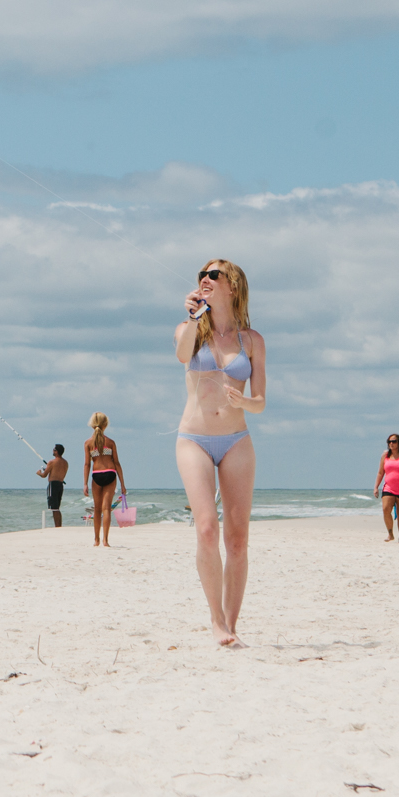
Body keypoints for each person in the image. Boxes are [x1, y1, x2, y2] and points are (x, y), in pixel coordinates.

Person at [174, 259, 265, 647]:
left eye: (214, 275)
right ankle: (215, 621)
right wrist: (195, 317)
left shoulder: (252, 340)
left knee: (238, 540)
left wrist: (244, 401)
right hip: (193, 438)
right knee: (207, 528)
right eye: (202, 276)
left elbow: (260, 402)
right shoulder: (188, 329)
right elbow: (182, 355)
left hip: (236, 440)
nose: (205, 280)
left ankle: (231, 624)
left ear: (233, 285)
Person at [82, 414, 124, 547]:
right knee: (106, 509)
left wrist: (85, 483)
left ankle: (96, 540)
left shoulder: (88, 443)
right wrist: (123, 483)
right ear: (105, 425)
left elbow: (87, 464)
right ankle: (105, 540)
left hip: (97, 475)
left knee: (97, 509)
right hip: (110, 473)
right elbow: (116, 463)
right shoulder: (110, 442)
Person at [37, 444, 69, 527]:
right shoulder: (65, 463)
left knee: (54, 508)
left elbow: (44, 475)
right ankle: (59, 526)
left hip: (53, 485)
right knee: (57, 508)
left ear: (57, 451)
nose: (53, 451)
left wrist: (39, 473)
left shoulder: (52, 462)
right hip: (60, 485)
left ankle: (57, 526)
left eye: (54, 450)